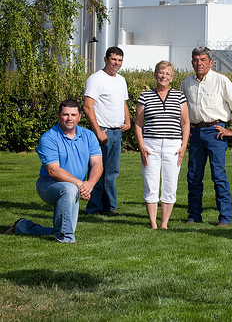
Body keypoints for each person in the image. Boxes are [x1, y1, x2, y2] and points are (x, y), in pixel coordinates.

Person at [3, 100, 103, 243]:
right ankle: (66, 239)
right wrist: (81, 184)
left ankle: (23, 226)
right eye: (65, 114)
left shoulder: (89, 136)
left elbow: (98, 164)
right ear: (58, 116)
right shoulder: (49, 138)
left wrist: (90, 184)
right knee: (69, 189)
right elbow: (53, 171)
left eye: (73, 114)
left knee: (65, 225)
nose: (69, 118)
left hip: (76, 186)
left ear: (79, 117)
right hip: (49, 184)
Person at [181, 46, 232, 226]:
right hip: (195, 132)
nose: (199, 63)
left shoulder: (221, 80)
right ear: (192, 62)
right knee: (194, 175)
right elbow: (183, 110)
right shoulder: (186, 83)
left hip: (216, 132)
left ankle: (225, 217)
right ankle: (194, 215)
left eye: (203, 60)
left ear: (211, 62)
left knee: (218, 175)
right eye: (196, 60)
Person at [135, 61, 190, 229]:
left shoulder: (179, 96)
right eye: (161, 72)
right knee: (150, 183)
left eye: (167, 74)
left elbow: (185, 123)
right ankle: (153, 223)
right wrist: (141, 146)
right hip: (150, 145)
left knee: (170, 184)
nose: (163, 76)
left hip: (173, 146)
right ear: (155, 74)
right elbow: (138, 124)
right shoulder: (145, 96)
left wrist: (183, 146)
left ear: (172, 78)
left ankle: (164, 223)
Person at [84, 46, 131, 215]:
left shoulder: (121, 80)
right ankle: (94, 208)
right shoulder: (96, 79)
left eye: (119, 60)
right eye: (113, 59)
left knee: (111, 172)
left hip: (117, 132)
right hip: (102, 131)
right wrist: (98, 132)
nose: (116, 63)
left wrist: (128, 121)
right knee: (97, 171)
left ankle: (110, 207)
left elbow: (123, 102)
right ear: (106, 59)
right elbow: (88, 107)